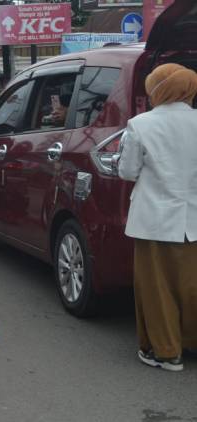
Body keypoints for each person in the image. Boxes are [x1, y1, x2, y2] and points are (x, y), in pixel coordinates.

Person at [117, 63, 197, 372]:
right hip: (193, 221)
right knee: (192, 286)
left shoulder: (141, 124)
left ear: (157, 89)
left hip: (154, 220)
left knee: (157, 289)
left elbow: (127, 170)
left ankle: (167, 353)